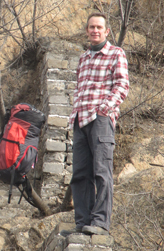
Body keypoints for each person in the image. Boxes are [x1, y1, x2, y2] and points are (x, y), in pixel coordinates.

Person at [68, 13, 129, 236]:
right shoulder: (83, 58)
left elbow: (122, 86)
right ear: (87, 30)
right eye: (91, 27)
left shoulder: (116, 53)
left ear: (106, 31)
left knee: (102, 172)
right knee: (80, 174)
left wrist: (104, 109)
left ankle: (100, 223)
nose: (95, 30)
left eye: (99, 27)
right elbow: (79, 89)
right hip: (79, 120)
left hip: (101, 119)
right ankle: (83, 222)